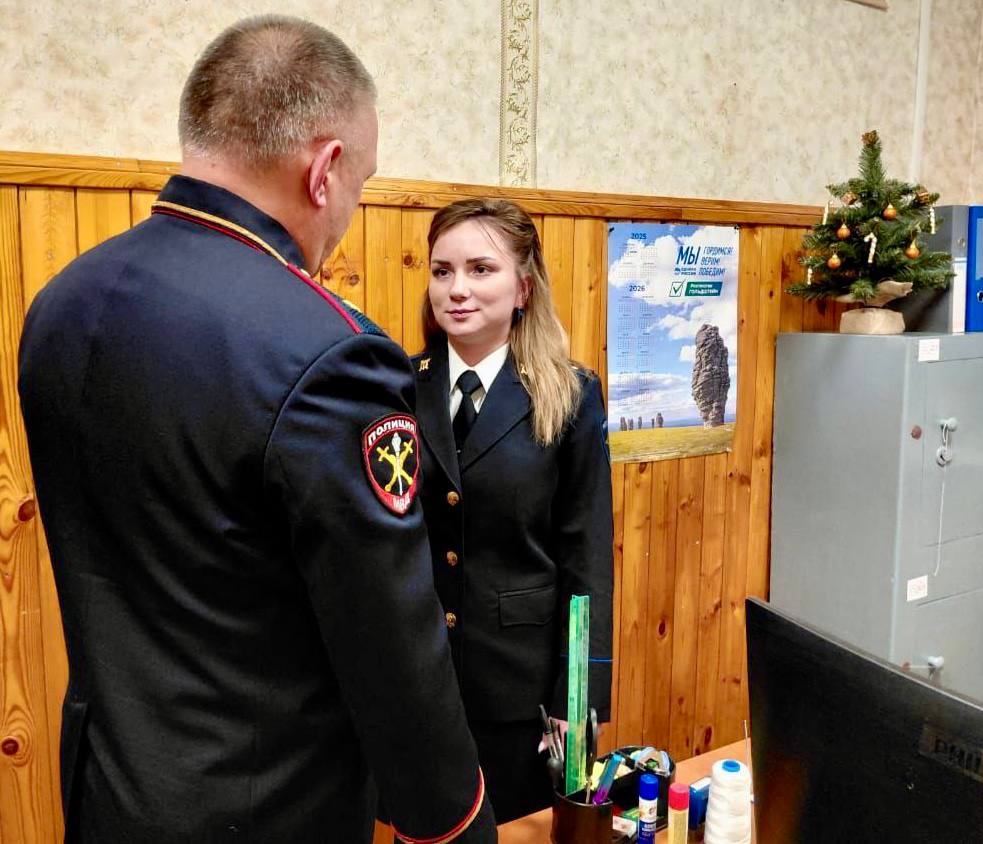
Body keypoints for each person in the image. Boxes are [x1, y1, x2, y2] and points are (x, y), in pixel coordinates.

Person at [18, 16, 496, 843]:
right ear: (324, 170)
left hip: (109, 791)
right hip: (266, 807)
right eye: (360, 185)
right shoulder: (328, 353)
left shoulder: (63, 301)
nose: (349, 210)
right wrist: (451, 824)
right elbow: (390, 647)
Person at [411, 199, 614, 823]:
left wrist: (577, 698)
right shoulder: (395, 386)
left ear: (523, 287)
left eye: (481, 269)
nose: (457, 289)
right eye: (442, 271)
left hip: (519, 693)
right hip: (415, 680)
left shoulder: (570, 395)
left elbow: (585, 559)